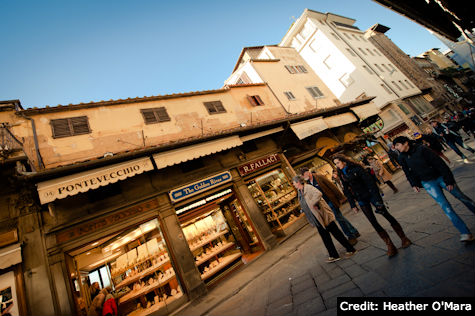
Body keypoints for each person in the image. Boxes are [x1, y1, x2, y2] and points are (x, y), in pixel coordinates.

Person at [393, 136, 475, 242]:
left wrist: (448, 180)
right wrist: (414, 184)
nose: (396, 148)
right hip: (428, 183)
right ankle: (465, 233)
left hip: (441, 178)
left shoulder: (422, 149)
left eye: (397, 145)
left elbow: (439, 163)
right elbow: (408, 173)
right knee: (445, 207)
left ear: (405, 143)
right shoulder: (402, 158)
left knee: (461, 197)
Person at [333, 154, 411, 257]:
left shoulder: (356, 168)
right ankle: (390, 245)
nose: (337, 165)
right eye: (335, 164)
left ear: (343, 161)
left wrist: (378, 200)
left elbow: (370, 183)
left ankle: (404, 238)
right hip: (361, 199)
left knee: (386, 215)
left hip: (371, 195)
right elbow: (346, 190)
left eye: (338, 162)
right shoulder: (342, 174)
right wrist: (353, 205)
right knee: (373, 222)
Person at [292, 175, 357, 263]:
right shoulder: (300, 192)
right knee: (326, 237)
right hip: (317, 218)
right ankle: (334, 254)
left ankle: (350, 249)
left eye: (294, 182)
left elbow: (318, 194)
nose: (293, 184)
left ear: (298, 182)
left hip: (323, 215)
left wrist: (312, 203)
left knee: (336, 233)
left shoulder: (308, 188)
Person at [299, 167, 360, 245]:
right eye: (302, 176)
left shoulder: (319, 177)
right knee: (340, 217)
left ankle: (351, 236)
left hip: (330, 200)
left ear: (307, 172)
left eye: (304, 175)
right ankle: (354, 231)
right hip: (324, 205)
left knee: (339, 218)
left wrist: (341, 197)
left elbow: (331, 186)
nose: (304, 177)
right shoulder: (307, 183)